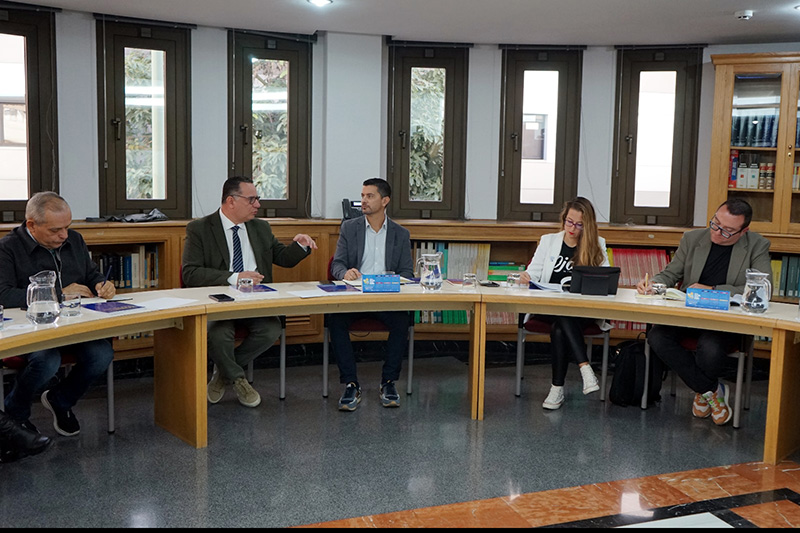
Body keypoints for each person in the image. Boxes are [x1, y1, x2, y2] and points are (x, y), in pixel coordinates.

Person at [182, 176, 317, 408]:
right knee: (218, 335)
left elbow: (283, 258)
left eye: (257, 199)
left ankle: (223, 373)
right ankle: (238, 379)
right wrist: (235, 277)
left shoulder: (260, 227)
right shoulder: (200, 229)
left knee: (271, 329)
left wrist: (301, 246)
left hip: (256, 300)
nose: (258, 205)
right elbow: (190, 273)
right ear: (231, 201)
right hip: (220, 302)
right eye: (252, 199)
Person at [636, 198, 770, 426]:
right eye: (715, 223)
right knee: (657, 336)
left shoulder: (757, 245)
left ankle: (702, 391)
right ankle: (710, 390)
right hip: (688, 314)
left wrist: (713, 289)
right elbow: (670, 274)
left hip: (724, 320)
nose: (717, 232)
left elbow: (762, 288)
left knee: (710, 347)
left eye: (727, 231)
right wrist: (654, 284)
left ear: (743, 231)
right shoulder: (692, 238)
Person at [0, 192, 116, 437]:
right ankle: (15, 413)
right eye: (55, 230)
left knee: (102, 354)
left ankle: (60, 399)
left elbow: (91, 274)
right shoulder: (7, 248)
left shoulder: (75, 239)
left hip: (75, 324)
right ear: (32, 225)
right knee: (47, 361)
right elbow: (4, 295)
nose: (64, 235)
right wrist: (59, 294)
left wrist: (101, 285)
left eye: (67, 227)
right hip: (32, 329)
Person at [329, 178, 414, 411]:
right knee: (335, 320)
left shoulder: (400, 234)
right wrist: (345, 273)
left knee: (401, 321)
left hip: (386, 298)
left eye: (370, 196)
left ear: (385, 201)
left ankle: (388, 382)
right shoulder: (349, 228)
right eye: (362, 196)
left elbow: (408, 272)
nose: (363, 201)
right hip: (355, 296)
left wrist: (391, 280)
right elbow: (337, 264)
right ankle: (351, 384)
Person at [519, 197, 609, 410]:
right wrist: (526, 277)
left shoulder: (597, 244)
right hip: (548, 307)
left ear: (587, 225)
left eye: (578, 224)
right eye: (569, 222)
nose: (572, 228)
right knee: (561, 315)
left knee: (560, 328)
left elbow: (605, 280)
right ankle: (585, 367)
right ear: (564, 219)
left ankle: (557, 389)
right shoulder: (548, 241)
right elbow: (533, 273)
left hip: (581, 311)